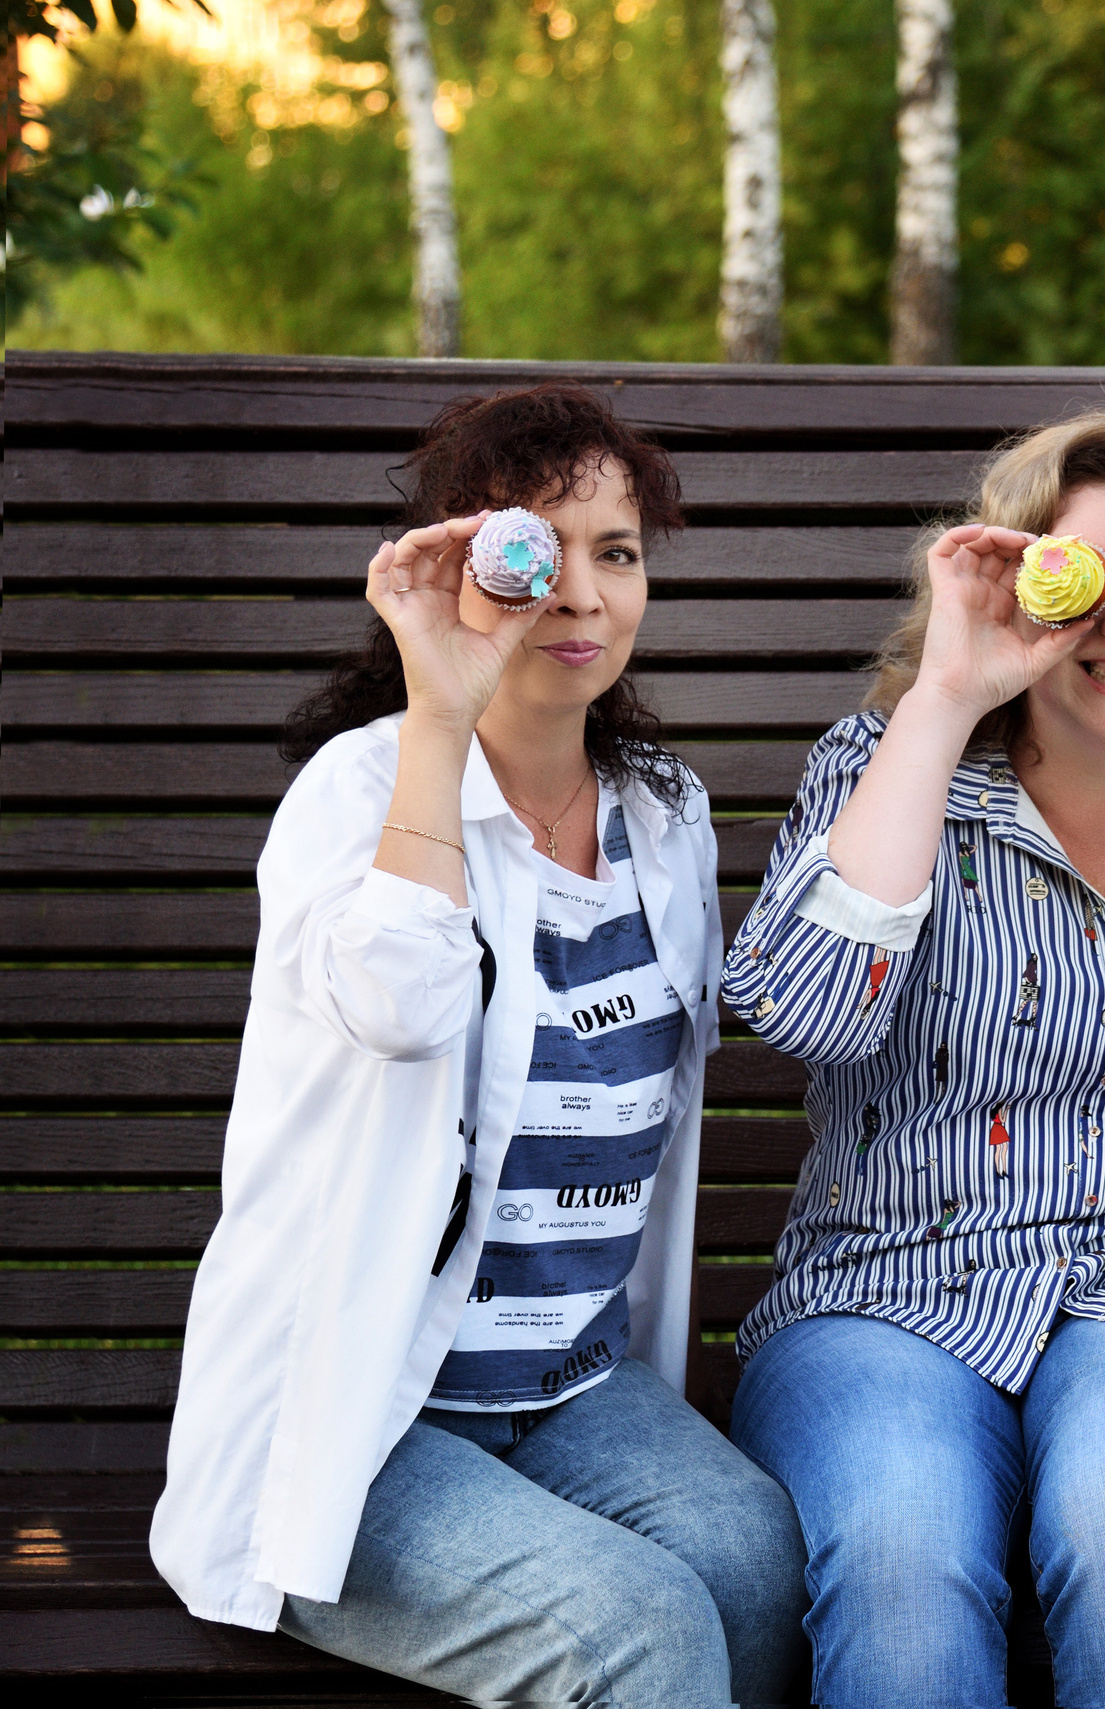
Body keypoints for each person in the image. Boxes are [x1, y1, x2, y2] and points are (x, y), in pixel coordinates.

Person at [152, 383, 809, 1704]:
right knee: (640, 1629)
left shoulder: (663, 814)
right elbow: (398, 1007)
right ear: (463, 568)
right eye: (535, 553)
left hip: (569, 1384)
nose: (582, 594)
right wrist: (442, 710)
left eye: (617, 553)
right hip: (359, 1417)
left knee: (755, 1567)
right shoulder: (361, 789)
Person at [721, 411, 1105, 1709]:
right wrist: (947, 697)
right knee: (903, 1557)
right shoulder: (891, 765)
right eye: (1088, 579)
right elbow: (804, 1015)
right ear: (1020, 588)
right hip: (876, 1292)